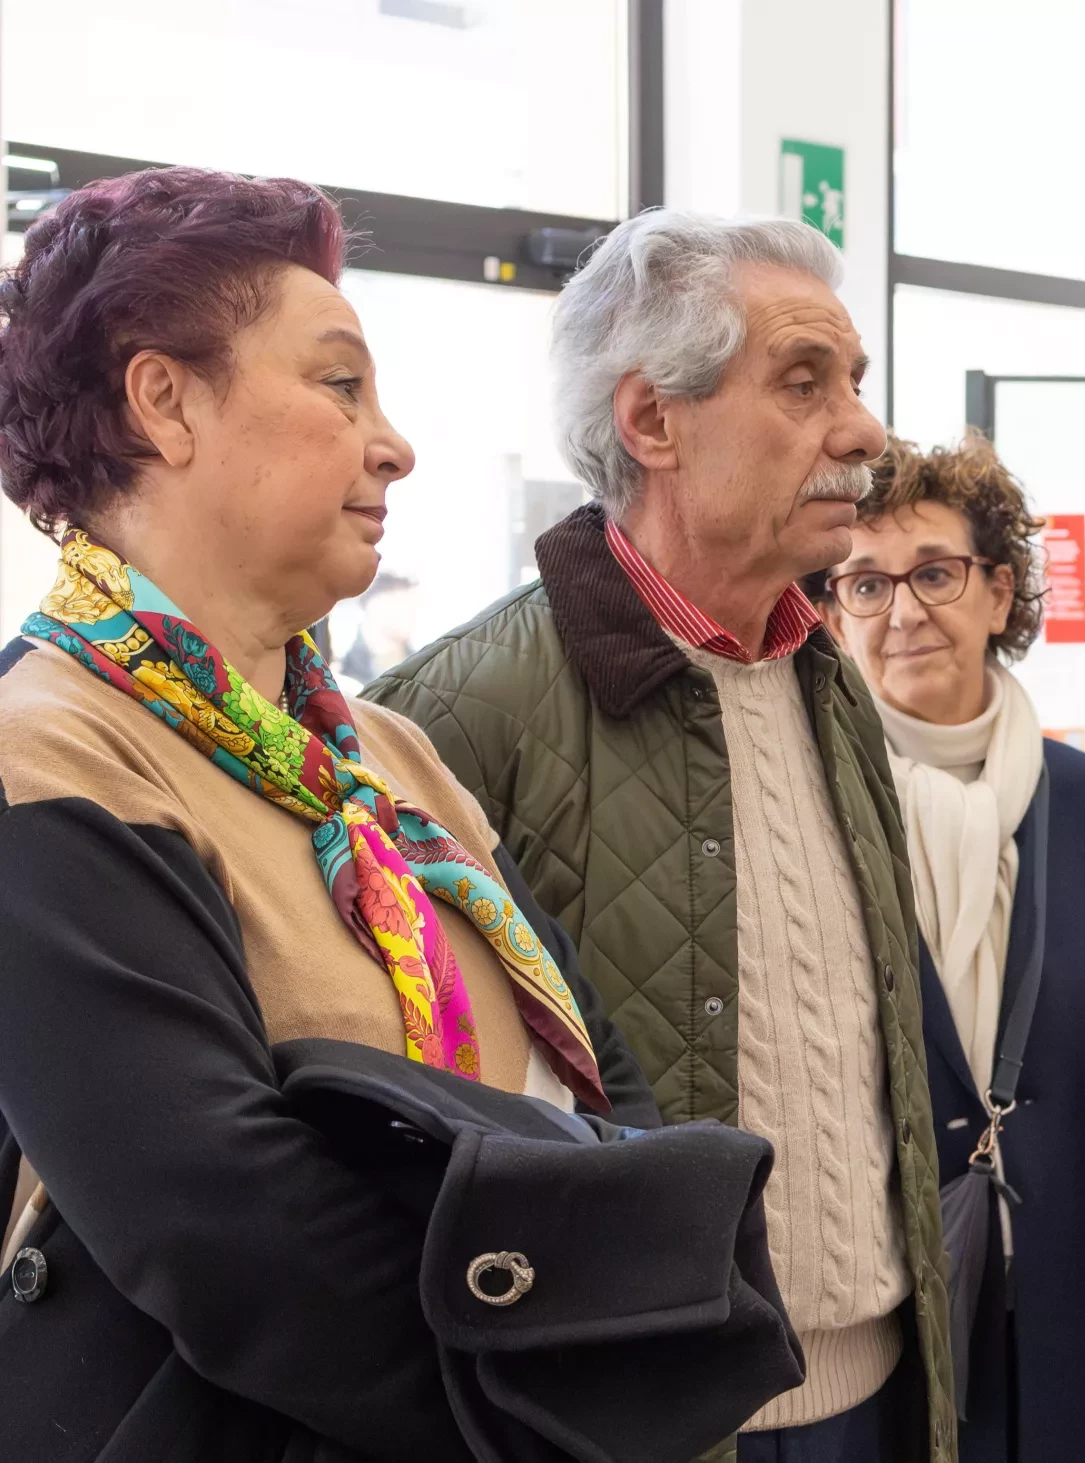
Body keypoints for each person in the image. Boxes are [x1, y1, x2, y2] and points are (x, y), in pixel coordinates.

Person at [0, 167, 790, 1456]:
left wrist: (629, 1315)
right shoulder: (52, 749)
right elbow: (214, 1218)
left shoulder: (383, 753)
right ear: (165, 401)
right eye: (337, 383)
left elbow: (594, 1057)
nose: (394, 442)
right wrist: (532, 1411)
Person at [364, 210, 957, 1460]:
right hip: (650, 1406)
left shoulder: (828, 676)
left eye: (854, 383)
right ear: (651, 421)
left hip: (883, 1375)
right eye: (804, 384)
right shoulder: (458, 715)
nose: (862, 429)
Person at [808, 434, 1085, 1462]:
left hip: (1082, 1287)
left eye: (934, 572)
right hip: (894, 1297)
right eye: (864, 583)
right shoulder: (814, 797)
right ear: (833, 612)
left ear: (1000, 589)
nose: (904, 610)